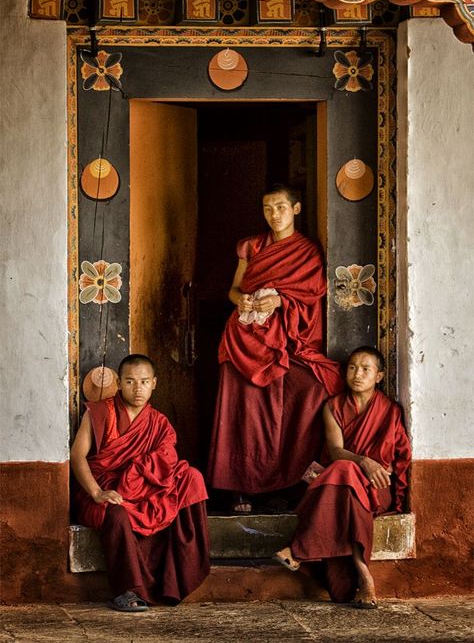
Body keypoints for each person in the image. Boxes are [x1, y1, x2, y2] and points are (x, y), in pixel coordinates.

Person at [207, 184, 343, 512]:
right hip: (245, 338)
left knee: (307, 393)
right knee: (243, 410)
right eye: (268, 208)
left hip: (286, 338)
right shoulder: (251, 246)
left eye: (281, 207)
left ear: (295, 209)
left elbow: (311, 293)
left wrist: (281, 299)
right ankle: (239, 487)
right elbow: (234, 289)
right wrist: (240, 298)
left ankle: (286, 481)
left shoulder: (307, 251)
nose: (274, 215)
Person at [273, 346, 411, 609]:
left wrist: (398, 495)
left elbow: (400, 456)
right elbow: (336, 451)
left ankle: (298, 550)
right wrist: (364, 462)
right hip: (342, 485)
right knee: (344, 474)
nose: (357, 374)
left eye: (366, 369)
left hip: (375, 486)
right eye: (352, 367)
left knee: (341, 474)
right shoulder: (332, 407)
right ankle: (364, 576)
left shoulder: (390, 410)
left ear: (379, 376)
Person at [71, 354, 210, 611]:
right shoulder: (100, 413)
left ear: (154, 383)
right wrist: (97, 492)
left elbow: (165, 463)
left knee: (192, 477)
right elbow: (77, 455)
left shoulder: (158, 423)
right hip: (106, 491)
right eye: (130, 381)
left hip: (143, 490)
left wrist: (139, 477)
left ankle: (181, 570)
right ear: (120, 383)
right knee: (117, 513)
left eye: (144, 382)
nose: (138, 389)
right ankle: (127, 591)